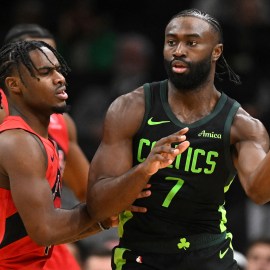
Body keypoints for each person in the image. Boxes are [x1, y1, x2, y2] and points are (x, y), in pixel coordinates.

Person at [86, 8, 270, 270]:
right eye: (171, 42)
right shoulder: (130, 107)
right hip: (141, 255)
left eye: (191, 43)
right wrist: (144, 170)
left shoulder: (241, 125)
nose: (178, 50)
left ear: (216, 51)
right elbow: (97, 207)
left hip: (208, 254)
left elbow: (260, 192)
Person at [0, 25, 151, 269]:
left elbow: (85, 193)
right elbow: (45, 229)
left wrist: (106, 214)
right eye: (45, 71)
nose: (60, 78)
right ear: (15, 84)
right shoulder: (17, 140)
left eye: (58, 69)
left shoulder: (47, 134)